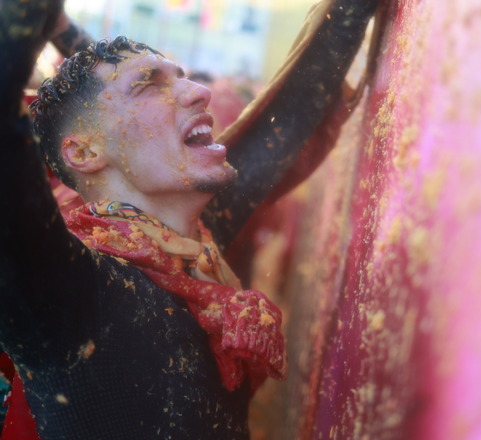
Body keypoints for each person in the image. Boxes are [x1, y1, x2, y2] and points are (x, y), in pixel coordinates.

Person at [0, 0, 380, 438]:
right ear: (84, 153)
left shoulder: (195, 241)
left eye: (180, 76)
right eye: (148, 85)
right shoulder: (62, 293)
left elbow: (295, 111)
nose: (200, 91)